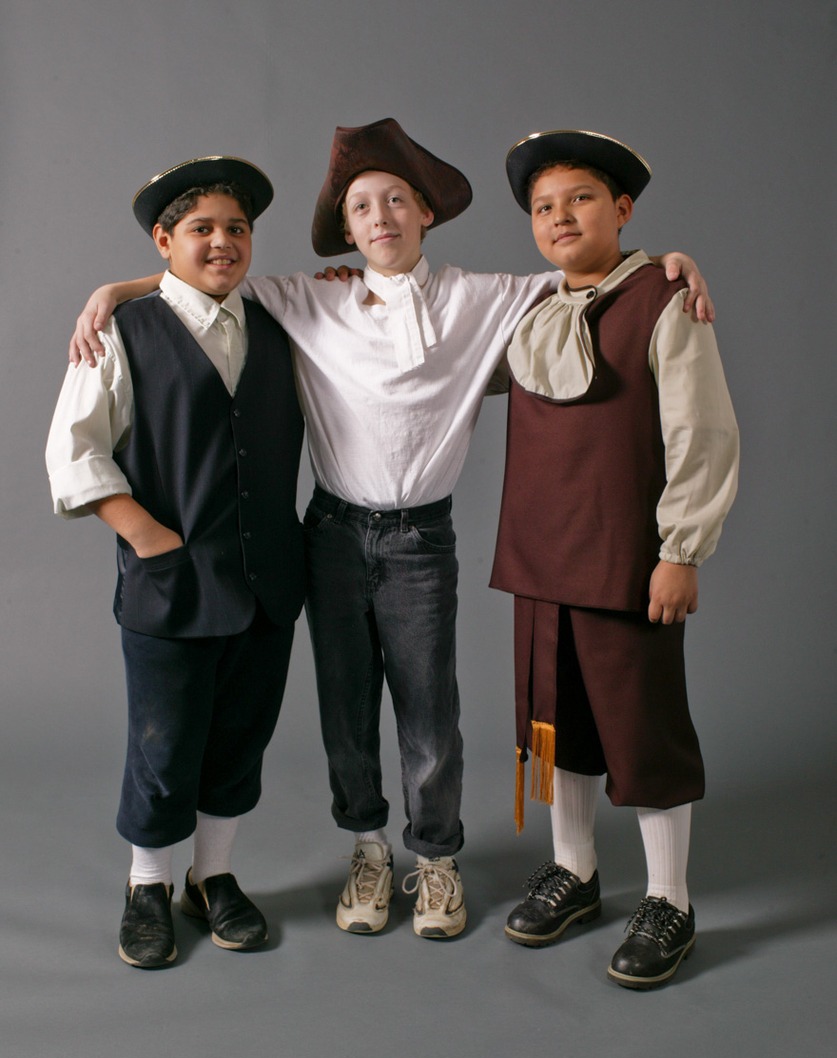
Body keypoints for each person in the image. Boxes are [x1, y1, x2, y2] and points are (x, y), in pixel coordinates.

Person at [68, 119, 711, 943]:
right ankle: (367, 849)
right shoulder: (308, 296)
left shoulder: (490, 299)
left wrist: (666, 263)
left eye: (396, 202)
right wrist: (113, 291)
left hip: (421, 542)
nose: (379, 219)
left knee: (428, 713)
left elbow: (589, 280)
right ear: (345, 227)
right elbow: (197, 284)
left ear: (426, 214)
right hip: (330, 534)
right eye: (361, 206)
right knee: (344, 708)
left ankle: (436, 860)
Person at [489, 130, 739, 988]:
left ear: (623, 210)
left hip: (628, 560)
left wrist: (681, 549)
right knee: (555, 726)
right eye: (542, 207)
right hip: (538, 559)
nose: (560, 218)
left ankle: (668, 896)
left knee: (643, 727)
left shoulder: (661, 298)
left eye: (580, 199)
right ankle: (578, 871)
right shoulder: (524, 310)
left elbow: (699, 431)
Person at [46, 157, 305, 968]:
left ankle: (213, 878)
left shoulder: (275, 323)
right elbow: (74, 452)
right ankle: (147, 885)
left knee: (239, 739)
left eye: (237, 228)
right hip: (170, 585)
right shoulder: (121, 330)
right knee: (164, 746)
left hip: (266, 582)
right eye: (202, 229)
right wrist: (146, 536)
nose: (222, 242)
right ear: (164, 240)